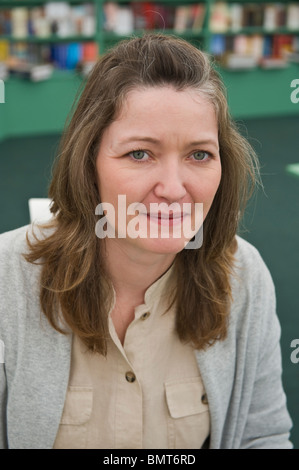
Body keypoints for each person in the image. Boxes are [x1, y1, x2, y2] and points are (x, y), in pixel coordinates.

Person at [0, 33, 293, 449]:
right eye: (140, 153)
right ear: (89, 163)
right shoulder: (5, 279)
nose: (173, 189)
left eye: (199, 154)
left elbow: (261, 436)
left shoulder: (244, 276)